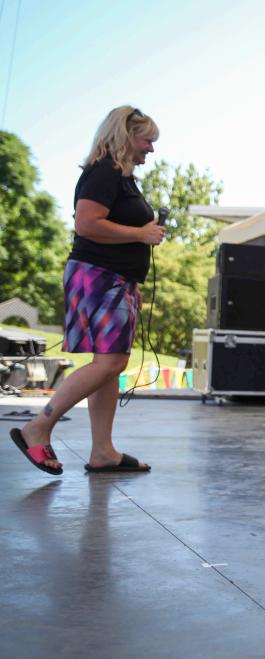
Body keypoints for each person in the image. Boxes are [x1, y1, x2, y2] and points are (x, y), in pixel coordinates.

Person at [9, 106, 163, 475]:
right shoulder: (104, 172)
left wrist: (131, 284)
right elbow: (87, 224)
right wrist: (142, 234)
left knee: (108, 366)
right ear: (127, 137)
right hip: (99, 276)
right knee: (111, 362)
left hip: (114, 280)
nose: (151, 150)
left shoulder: (121, 176)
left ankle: (102, 451)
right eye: (147, 141)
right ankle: (38, 426)